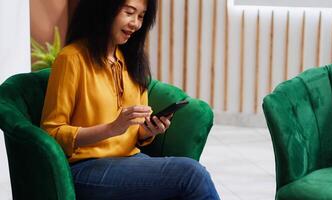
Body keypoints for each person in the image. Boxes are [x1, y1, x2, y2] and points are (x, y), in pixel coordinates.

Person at [40, 0, 221, 199]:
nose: (135, 23)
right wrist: (111, 128)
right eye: (129, 12)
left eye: (141, 16)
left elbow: (134, 132)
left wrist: (148, 130)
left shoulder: (130, 61)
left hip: (130, 158)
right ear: (104, 10)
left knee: (188, 180)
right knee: (191, 175)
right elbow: (52, 132)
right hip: (85, 167)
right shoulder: (71, 59)